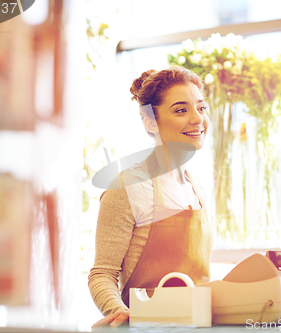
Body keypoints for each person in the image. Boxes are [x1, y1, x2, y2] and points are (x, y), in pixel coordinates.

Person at [88, 66, 213, 328]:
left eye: (201, 108)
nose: (197, 119)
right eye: (181, 110)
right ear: (150, 122)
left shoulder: (196, 188)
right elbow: (102, 274)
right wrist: (119, 312)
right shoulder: (127, 187)